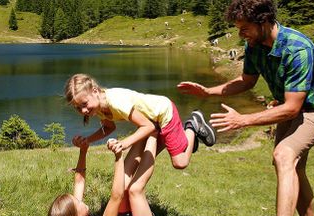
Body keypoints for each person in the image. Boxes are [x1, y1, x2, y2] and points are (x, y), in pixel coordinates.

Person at [177, 0, 314, 216]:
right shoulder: (254, 45)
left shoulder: (297, 48)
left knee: (284, 156)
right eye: (238, 29)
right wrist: (208, 92)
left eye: (245, 28)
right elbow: (246, 81)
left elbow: (292, 107)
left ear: (265, 22)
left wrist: (244, 120)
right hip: (291, 109)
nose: (241, 34)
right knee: (293, 168)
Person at [64, 73, 216, 172]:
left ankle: (191, 126)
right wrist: (87, 140)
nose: (83, 111)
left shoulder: (115, 102)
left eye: (84, 104)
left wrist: (124, 143)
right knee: (137, 165)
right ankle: (187, 140)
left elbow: (147, 127)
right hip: (152, 123)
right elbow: (109, 127)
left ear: (95, 91)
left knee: (180, 162)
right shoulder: (99, 107)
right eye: (78, 108)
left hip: (163, 113)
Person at [48, 136, 159, 216]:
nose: (79, 199)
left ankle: (142, 133)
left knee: (125, 180)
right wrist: (118, 157)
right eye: (77, 201)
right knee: (134, 190)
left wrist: (83, 151)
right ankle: (153, 134)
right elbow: (117, 196)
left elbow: (79, 181)